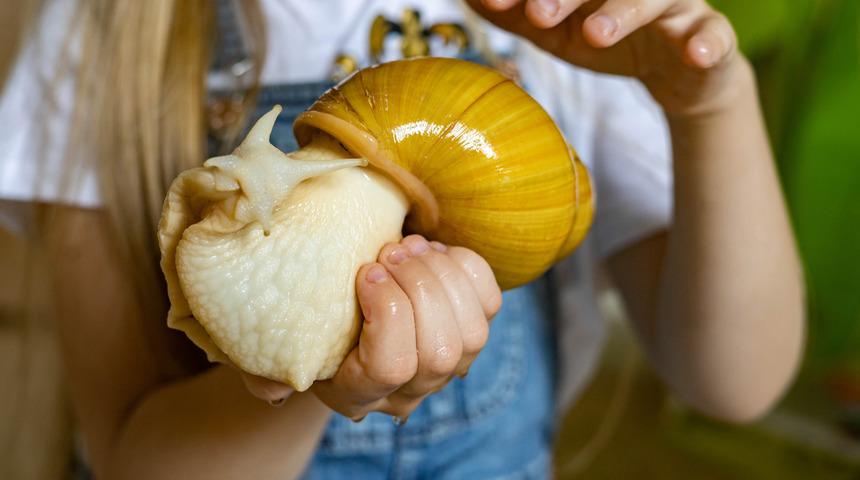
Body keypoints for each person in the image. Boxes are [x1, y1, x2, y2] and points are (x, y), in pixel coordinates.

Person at [0, 0, 805, 478]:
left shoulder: (568, 25)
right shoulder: (102, 33)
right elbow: (134, 462)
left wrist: (707, 104)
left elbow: (734, 382)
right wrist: (321, 365)